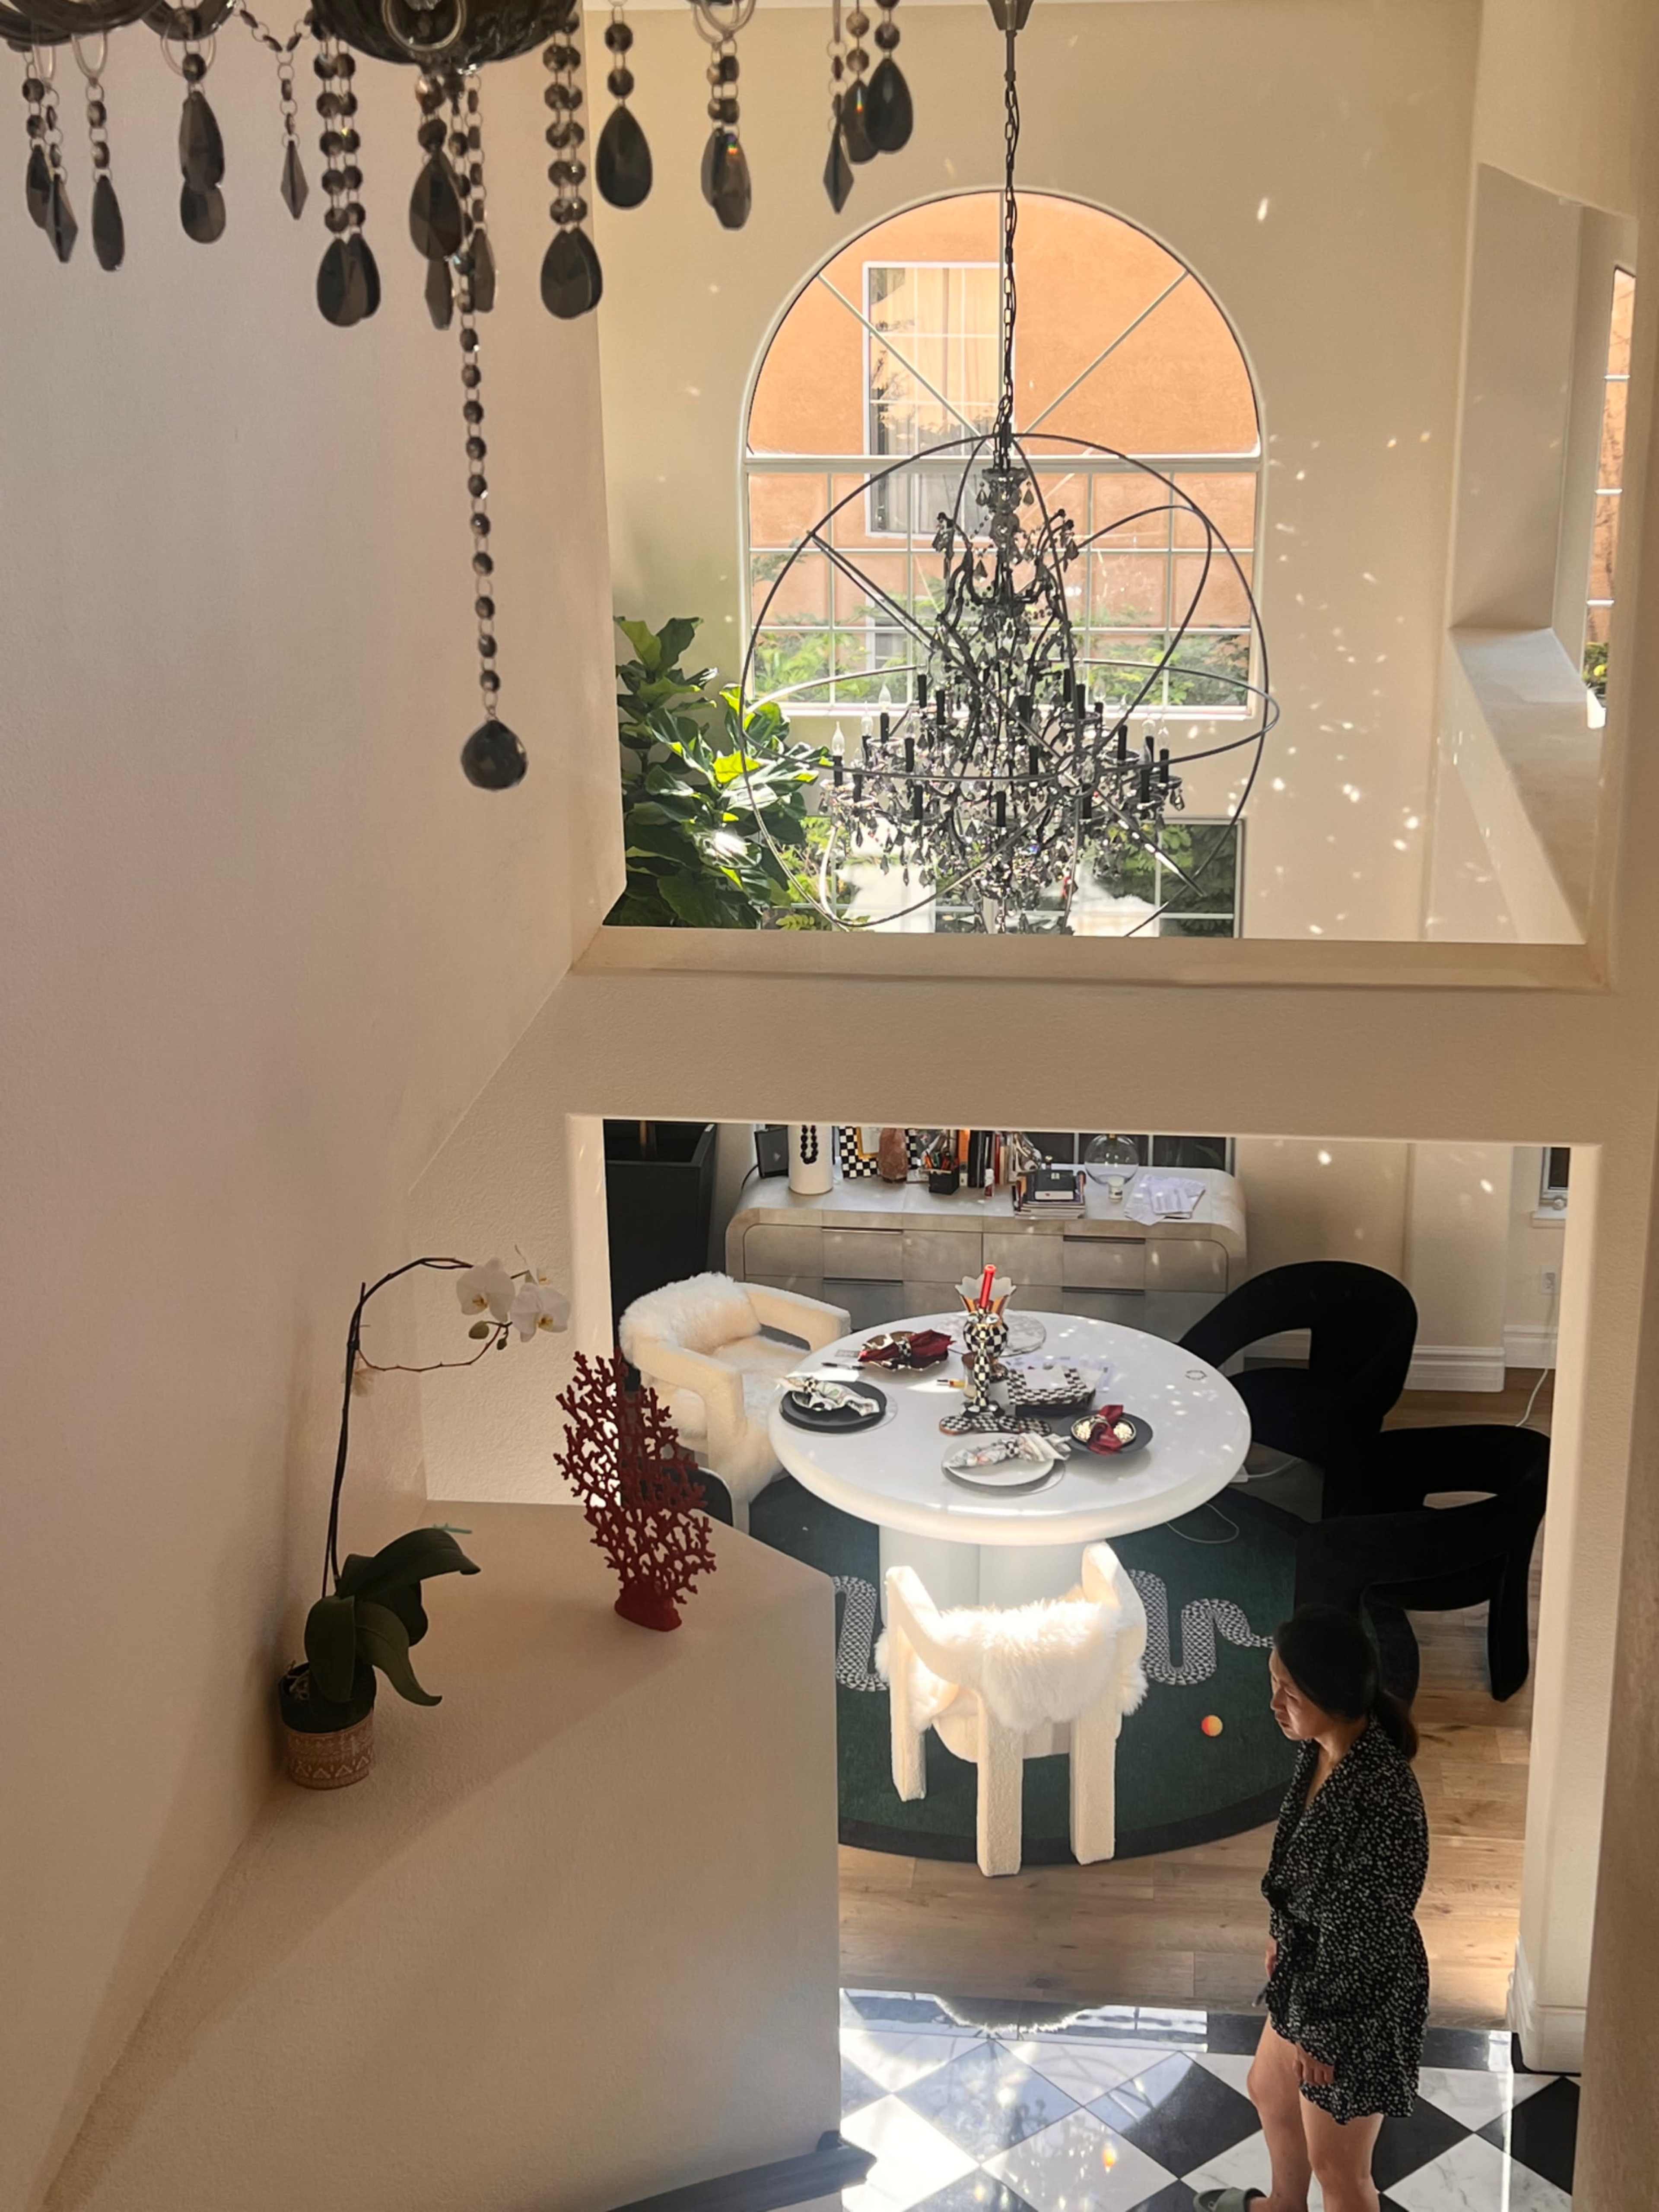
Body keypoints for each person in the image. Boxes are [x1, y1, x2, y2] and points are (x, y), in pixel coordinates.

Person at [1195, 1604, 1428, 2212]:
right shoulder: (1321, 1750)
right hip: (1310, 1974)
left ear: (1333, 1697)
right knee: (1270, 2091)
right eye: (1274, 1683)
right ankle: (1284, 2205)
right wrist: (1280, 1932)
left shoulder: (1381, 1801)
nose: (1275, 1704)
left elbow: (1369, 1939)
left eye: (1290, 1693)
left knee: (1340, 2171)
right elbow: (1298, 1870)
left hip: (1354, 2004)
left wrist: (1324, 2036)